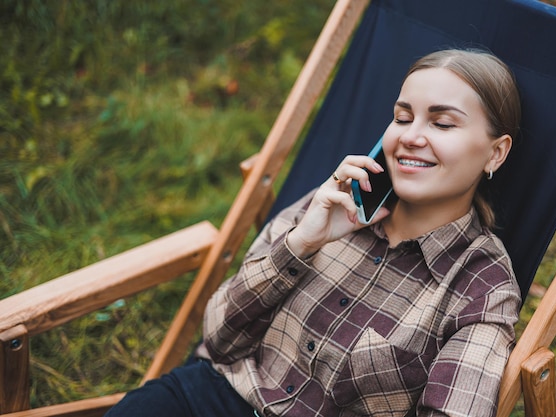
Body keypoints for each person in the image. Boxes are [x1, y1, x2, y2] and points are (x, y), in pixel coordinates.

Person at [105, 48, 522, 417]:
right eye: (402, 117)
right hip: (215, 395)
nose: (411, 137)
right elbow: (218, 342)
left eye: (442, 124)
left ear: (495, 152)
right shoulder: (332, 203)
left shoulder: (482, 288)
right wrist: (301, 244)